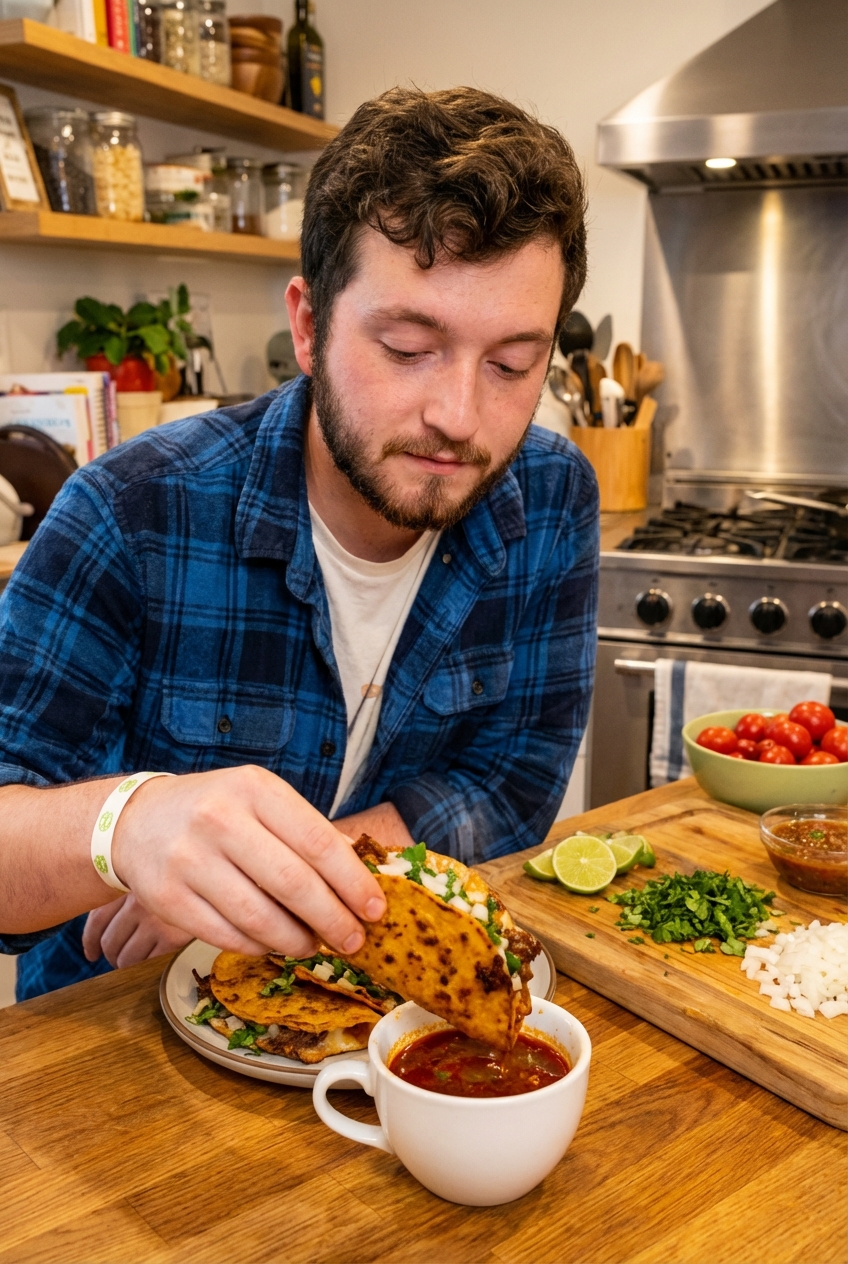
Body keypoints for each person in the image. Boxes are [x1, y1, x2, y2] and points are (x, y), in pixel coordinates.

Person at [0, 86, 598, 1001]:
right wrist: (132, 830)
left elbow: (512, 784)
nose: (459, 416)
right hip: (119, 1053)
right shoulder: (132, 512)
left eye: (514, 365)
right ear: (310, 325)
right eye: (407, 347)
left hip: (388, 1032)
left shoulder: (552, 497)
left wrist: (277, 889)